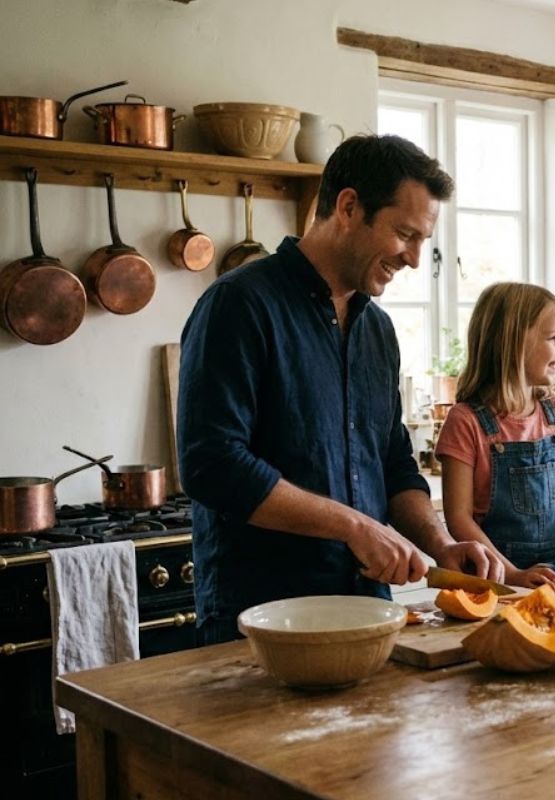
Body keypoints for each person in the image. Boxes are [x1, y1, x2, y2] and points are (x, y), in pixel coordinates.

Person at [177, 135, 503, 646]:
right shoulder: (239, 305)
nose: (416, 259)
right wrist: (355, 527)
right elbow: (212, 464)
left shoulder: (379, 331)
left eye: (424, 240)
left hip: (368, 613)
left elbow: (393, 461)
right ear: (349, 207)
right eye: (404, 233)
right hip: (264, 619)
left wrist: (441, 543)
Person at [435, 283, 555, 590]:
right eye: (553, 338)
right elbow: (459, 519)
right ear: (514, 343)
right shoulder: (465, 422)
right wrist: (510, 574)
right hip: (491, 585)